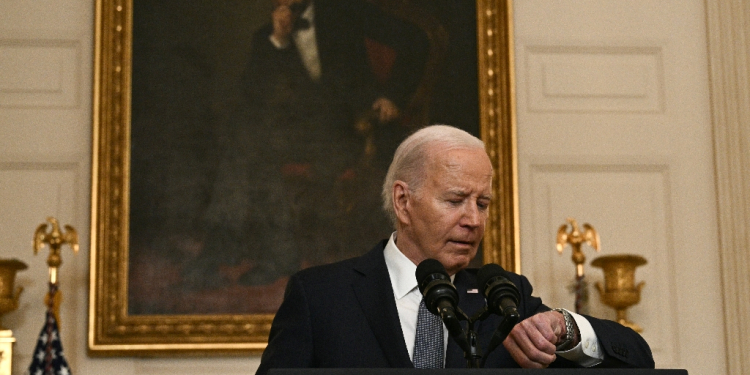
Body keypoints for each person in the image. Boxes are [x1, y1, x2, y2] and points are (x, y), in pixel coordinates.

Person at [255, 125, 655, 373]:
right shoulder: (321, 296)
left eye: (482, 204)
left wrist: (563, 328)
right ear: (403, 201)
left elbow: (637, 356)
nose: (474, 220)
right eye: (455, 200)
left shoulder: (503, 298)